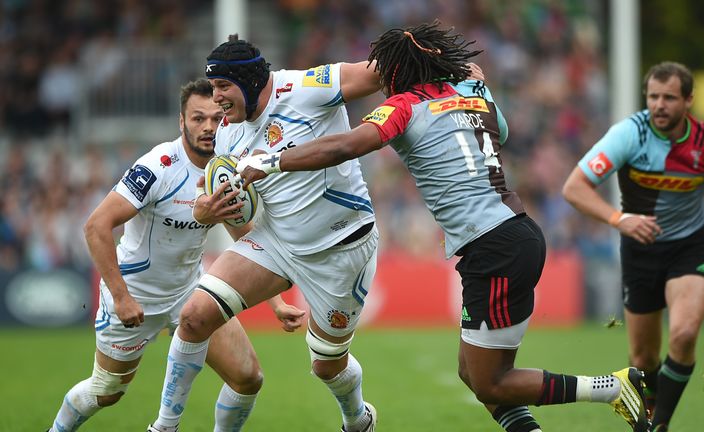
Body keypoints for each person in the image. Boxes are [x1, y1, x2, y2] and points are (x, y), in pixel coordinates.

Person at [235, 21, 650, 432]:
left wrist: (272, 160)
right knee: (474, 373)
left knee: (491, 380)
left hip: (494, 246)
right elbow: (500, 131)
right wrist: (480, 87)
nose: (380, 80)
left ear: (399, 70)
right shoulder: (472, 91)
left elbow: (348, 145)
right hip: (513, 233)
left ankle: (612, 387)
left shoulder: (403, 105)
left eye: (385, 70)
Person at [147, 35, 386, 432]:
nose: (217, 99)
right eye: (213, 88)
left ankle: (357, 418)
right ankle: (164, 426)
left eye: (224, 87)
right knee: (194, 317)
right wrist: (207, 206)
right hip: (276, 242)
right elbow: (220, 198)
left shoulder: (308, 87)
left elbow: (377, 73)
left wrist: (442, 67)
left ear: (249, 81)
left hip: (340, 247)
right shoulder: (226, 133)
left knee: (327, 366)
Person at [46, 79, 305, 432]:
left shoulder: (224, 168)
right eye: (198, 119)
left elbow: (240, 232)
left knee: (248, 378)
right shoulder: (158, 166)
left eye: (216, 118)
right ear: (181, 122)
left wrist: (276, 303)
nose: (209, 127)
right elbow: (96, 226)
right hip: (137, 295)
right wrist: (121, 297)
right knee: (107, 390)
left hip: (190, 293)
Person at [562, 61, 704, 431]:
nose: (659, 105)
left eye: (669, 98)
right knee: (643, 357)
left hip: (689, 248)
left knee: (685, 334)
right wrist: (619, 219)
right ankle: (651, 410)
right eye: (653, 97)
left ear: (688, 100)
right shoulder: (628, 135)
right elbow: (574, 187)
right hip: (639, 250)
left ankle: (660, 425)